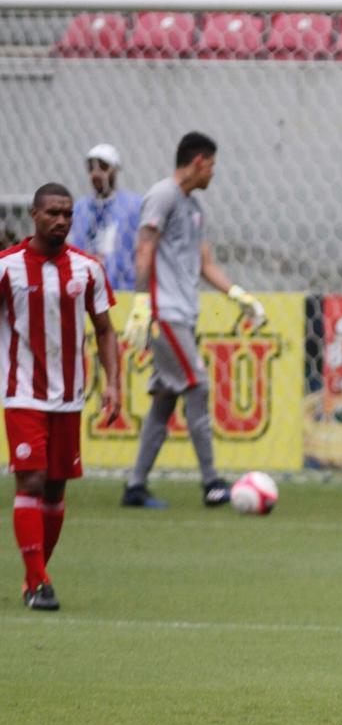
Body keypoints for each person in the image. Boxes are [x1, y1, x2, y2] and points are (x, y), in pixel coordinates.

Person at [120, 132, 267, 509]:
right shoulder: (163, 195)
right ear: (199, 161)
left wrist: (238, 295)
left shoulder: (194, 207)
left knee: (165, 400)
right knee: (198, 385)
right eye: (213, 165)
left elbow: (206, 265)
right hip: (164, 312)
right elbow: (144, 249)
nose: (213, 174)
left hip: (182, 313)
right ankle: (212, 483)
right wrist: (141, 303)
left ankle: (135, 486)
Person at [2, 183, 121, 611]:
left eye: (68, 214)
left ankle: (36, 574)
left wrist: (113, 384)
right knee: (30, 480)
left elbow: (106, 330)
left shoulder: (87, 269)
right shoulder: (7, 267)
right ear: (34, 214)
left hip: (69, 397)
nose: (61, 221)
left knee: (54, 490)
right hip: (22, 393)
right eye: (53, 212)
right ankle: (38, 582)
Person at [68, 143, 143, 290]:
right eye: (91, 168)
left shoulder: (133, 205)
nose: (96, 174)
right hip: (86, 288)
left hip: (123, 289)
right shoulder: (80, 208)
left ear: (115, 170)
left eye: (102, 167)